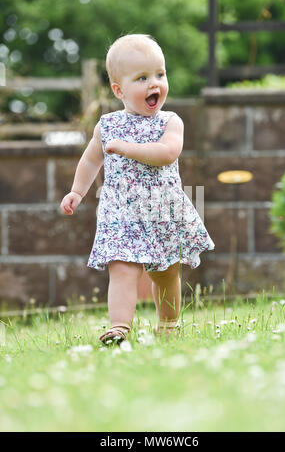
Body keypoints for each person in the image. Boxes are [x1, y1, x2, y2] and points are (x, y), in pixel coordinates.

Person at [60, 34, 215, 344]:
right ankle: (119, 327)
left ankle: (168, 323)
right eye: (142, 77)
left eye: (160, 74)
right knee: (121, 268)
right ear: (119, 90)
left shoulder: (170, 122)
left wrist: (128, 148)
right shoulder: (107, 125)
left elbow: (167, 153)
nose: (154, 83)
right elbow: (91, 160)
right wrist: (77, 191)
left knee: (165, 273)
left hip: (161, 210)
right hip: (120, 211)